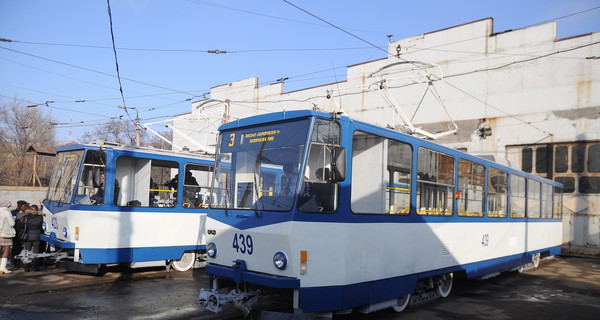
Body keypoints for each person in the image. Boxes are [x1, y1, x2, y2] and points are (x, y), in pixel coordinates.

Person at [0, 200, 16, 274]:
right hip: (5, 233)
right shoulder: (7, 212)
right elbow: (12, 223)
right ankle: (2, 267)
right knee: (6, 250)